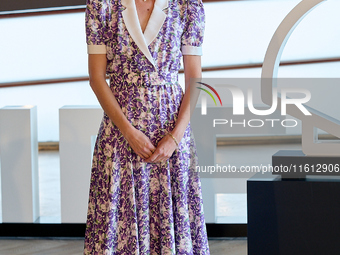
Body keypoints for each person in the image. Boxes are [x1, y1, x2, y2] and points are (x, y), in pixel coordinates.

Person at [83, 0, 210, 253]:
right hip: (120, 131)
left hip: (171, 126)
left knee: (172, 213)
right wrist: (128, 132)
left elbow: (194, 77)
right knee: (117, 217)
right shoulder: (102, 5)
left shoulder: (187, 5)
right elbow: (97, 79)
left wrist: (175, 137)